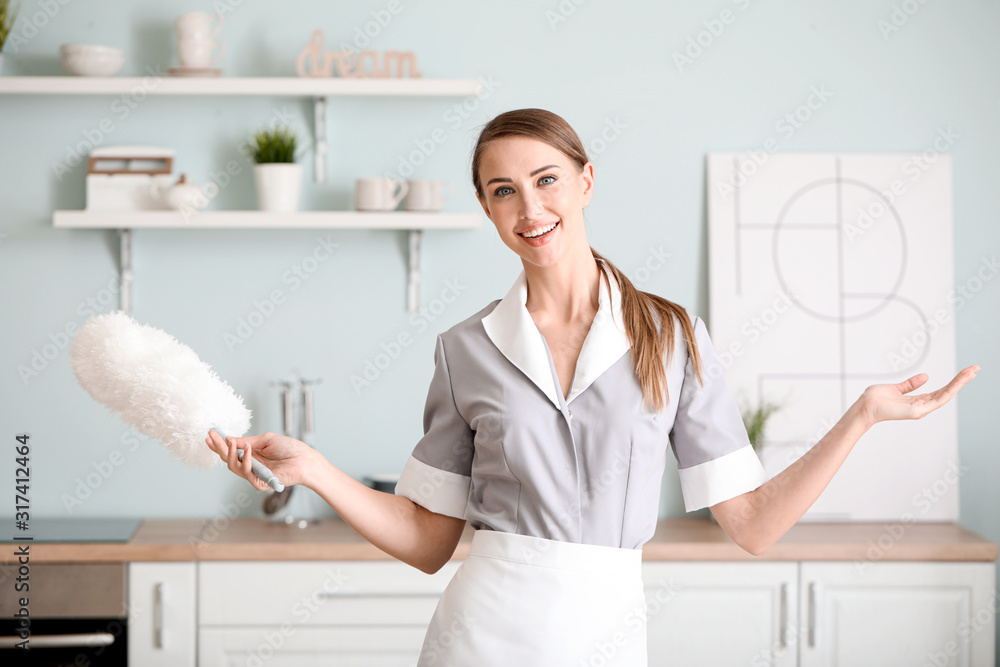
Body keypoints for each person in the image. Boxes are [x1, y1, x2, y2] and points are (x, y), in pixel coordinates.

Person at [205, 108, 980, 666]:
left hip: (607, 635)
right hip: (481, 635)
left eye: (546, 179)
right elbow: (430, 541)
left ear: (586, 180)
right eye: (503, 190)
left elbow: (751, 524)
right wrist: (314, 469)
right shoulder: (464, 350)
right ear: (486, 208)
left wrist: (862, 417)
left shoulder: (672, 336)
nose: (530, 207)